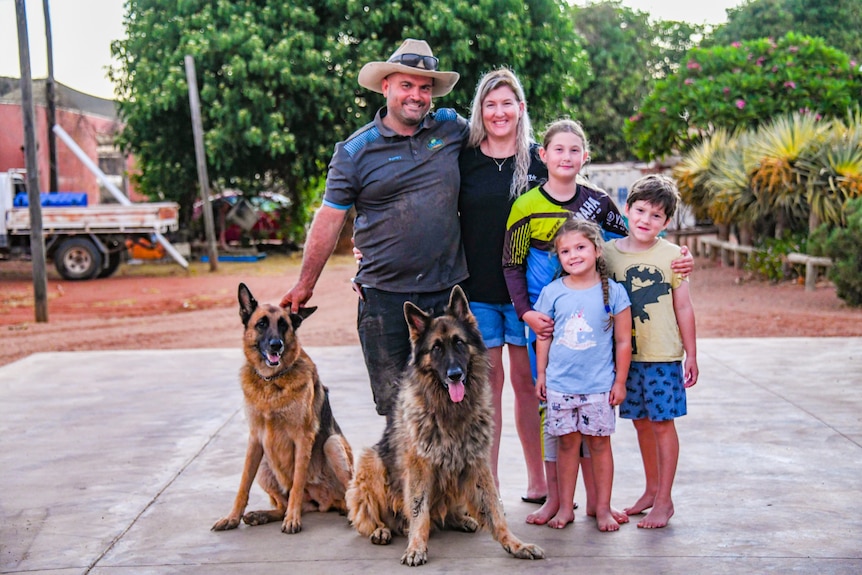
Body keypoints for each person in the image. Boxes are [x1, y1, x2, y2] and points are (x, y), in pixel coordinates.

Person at [502, 119, 694, 525]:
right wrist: (526, 312)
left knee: (601, 425)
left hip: (608, 345)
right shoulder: (526, 207)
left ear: (585, 157)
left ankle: (599, 502)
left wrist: (680, 257)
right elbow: (511, 264)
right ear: (544, 155)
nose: (567, 157)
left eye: (575, 150)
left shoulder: (602, 203)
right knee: (555, 418)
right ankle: (557, 497)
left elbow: (638, 240)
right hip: (546, 326)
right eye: (559, 149)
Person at [280, 39, 468, 421]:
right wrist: (305, 284)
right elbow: (329, 218)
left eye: (425, 87)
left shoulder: (451, 128)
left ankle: (454, 484)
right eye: (407, 85)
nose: (416, 96)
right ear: (386, 86)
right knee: (398, 413)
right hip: (384, 301)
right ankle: (405, 484)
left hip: (446, 295)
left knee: (454, 410)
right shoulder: (354, 151)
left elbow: (500, 150)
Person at [458, 68, 548, 502]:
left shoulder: (540, 160)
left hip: (528, 296)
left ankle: (538, 481)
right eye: (489, 104)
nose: (498, 112)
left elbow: (583, 212)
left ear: (520, 108)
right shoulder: (464, 157)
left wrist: (656, 246)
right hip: (478, 294)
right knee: (487, 391)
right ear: (480, 110)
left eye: (506, 103)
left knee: (529, 385)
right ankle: (486, 487)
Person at [603, 173, 699, 529]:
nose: (645, 220)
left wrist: (692, 353)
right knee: (641, 424)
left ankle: (664, 500)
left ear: (667, 222)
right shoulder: (608, 254)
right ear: (627, 210)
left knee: (662, 424)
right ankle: (650, 489)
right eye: (640, 210)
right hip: (626, 359)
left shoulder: (673, 255)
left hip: (662, 356)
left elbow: (684, 307)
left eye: (656, 216)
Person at [533, 218, 632, 531]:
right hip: (561, 388)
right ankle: (565, 508)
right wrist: (541, 376)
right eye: (565, 251)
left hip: (599, 388)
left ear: (597, 250)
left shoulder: (614, 293)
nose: (573, 255)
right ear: (559, 258)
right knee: (565, 446)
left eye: (580, 247)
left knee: (600, 446)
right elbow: (543, 337)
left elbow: (623, 341)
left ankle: (602, 509)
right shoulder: (552, 293)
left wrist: (619, 382)